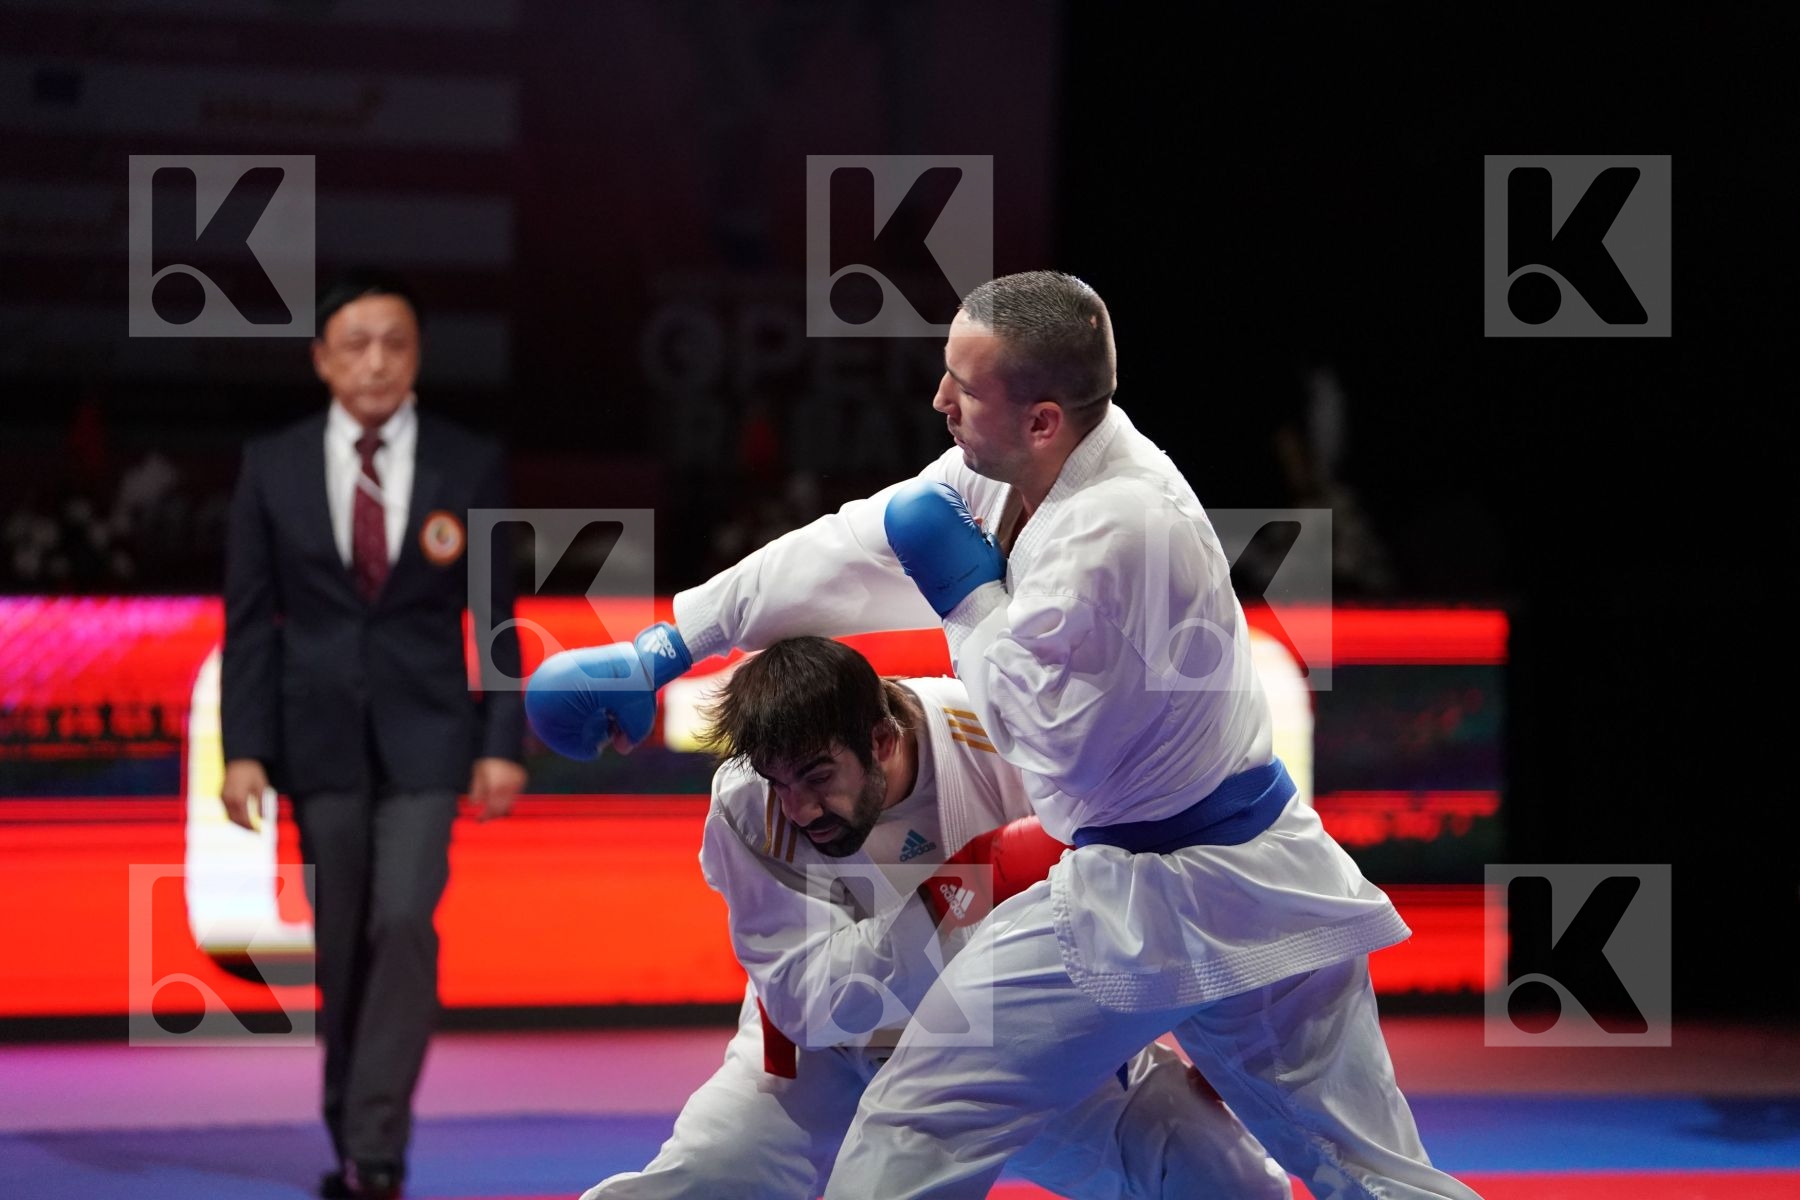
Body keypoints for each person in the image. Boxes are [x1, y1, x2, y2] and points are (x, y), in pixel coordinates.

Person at [527, 271, 1482, 1199]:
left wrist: (970, 599)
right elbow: (851, 548)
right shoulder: (1009, 470)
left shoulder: (1123, 529)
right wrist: (668, 642)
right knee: (1365, 1171)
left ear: (1042, 418)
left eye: (964, 386)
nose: (939, 399)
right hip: (1243, 871)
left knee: (919, 1124)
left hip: (1155, 883)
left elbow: (1052, 741)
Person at [580, 635, 1290, 1200]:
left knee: (1231, 1180)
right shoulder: (745, 803)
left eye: (819, 777)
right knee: (706, 1180)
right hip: (820, 1060)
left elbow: (1145, 891)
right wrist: (970, 886)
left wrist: (1215, 1044)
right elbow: (809, 1004)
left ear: (882, 741)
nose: (796, 808)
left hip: (1007, 1032)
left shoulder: (1001, 740)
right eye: (779, 779)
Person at [220, 269, 527, 1200]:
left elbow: (498, 617)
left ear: (418, 355)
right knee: (343, 941)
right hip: (315, 744)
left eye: (395, 342)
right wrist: (244, 749)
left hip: (432, 739)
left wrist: (502, 740)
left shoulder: (466, 461)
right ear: (322, 359)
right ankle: (349, 1122)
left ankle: (378, 1142)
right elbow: (249, 620)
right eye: (356, 343)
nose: (377, 360)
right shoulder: (269, 464)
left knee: (403, 920)